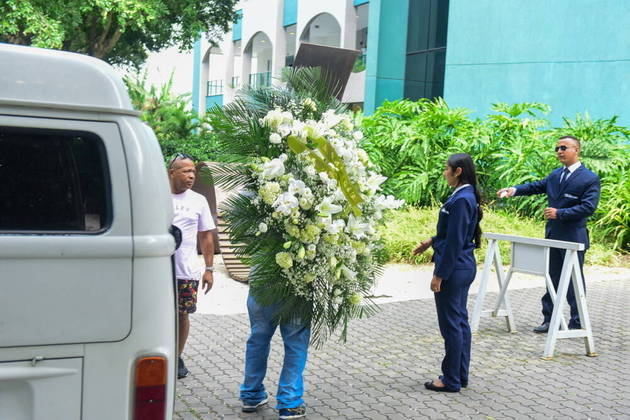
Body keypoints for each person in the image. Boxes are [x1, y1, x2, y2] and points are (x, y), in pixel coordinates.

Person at [497, 135, 600, 333]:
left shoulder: (589, 178)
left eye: (564, 147)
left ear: (576, 150)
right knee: (552, 279)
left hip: (573, 238)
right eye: (557, 148)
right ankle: (550, 319)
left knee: (573, 282)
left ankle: (577, 322)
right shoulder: (555, 175)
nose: (560, 151)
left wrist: (559, 213)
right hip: (553, 237)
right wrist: (514, 190)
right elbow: (536, 186)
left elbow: (588, 207)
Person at [413, 153, 482, 393]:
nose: (444, 172)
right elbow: (454, 232)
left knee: (452, 325)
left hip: (455, 268)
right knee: (459, 323)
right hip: (461, 265)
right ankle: (459, 375)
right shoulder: (464, 195)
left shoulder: (463, 198)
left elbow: (455, 241)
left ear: (458, 171)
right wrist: (430, 241)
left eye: (446, 168)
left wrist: (439, 275)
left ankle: (451, 379)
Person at [239, 269, 310, 419]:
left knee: (258, 339)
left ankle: (251, 394)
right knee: (295, 343)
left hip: (262, 280)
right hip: (296, 284)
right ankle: (289, 402)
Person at [169, 153, 216, 379]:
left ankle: (176, 357)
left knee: (181, 315)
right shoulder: (155, 197)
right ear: (172, 173)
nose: (191, 176)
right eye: (186, 171)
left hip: (185, 271)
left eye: (193, 172)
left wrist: (209, 269)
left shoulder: (198, 200)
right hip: (156, 271)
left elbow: (206, 236)